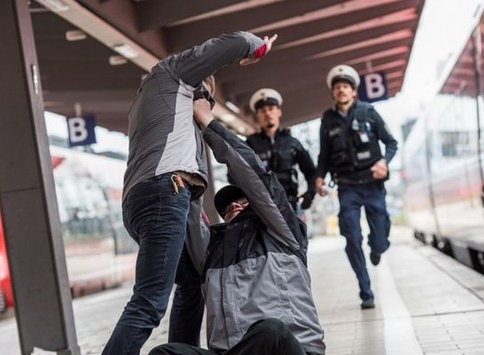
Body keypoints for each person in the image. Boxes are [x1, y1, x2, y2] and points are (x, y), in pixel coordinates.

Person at [103, 31, 278, 355]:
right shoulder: (171, 73)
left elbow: (189, 184)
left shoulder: (154, 106)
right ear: (200, 81)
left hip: (155, 197)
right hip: (164, 194)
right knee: (150, 301)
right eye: (207, 94)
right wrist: (257, 48)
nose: (206, 103)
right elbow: (231, 42)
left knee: (189, 285)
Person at [149, 97, 326, 354]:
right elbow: (189, 206)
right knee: (165, 353)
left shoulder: (284, 234)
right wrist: (184, 134)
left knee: (271, 331)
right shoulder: (210, 250)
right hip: (231, 352)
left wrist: (208, 124)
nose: (234, 205)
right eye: (227, 206)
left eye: (242, 200)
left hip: (287, 348)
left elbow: (255, 177)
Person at [314, 65, 398, 310]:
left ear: (353, 91)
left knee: (380, 237)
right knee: (351, 237)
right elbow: (324, 156)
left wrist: (384, 162)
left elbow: (391, 143)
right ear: (333, 93)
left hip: (372, 185)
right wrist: (319, 178)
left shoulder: (369, 112)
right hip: (347, 187)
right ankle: (366, 292)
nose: (341, 90)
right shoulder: (327, 120)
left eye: (345, 87)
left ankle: (378, 246)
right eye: (337, 87)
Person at [244, 88, 317, 214]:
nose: (267, 114)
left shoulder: (292, 143)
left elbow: (310, 171)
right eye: (263, 111)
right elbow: (236, 174)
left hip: (289, 204)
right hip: (260, 207)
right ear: (258, 116)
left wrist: (311, 193)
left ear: (279, 112)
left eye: (271, 109)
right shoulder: (250, 144)